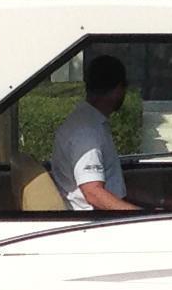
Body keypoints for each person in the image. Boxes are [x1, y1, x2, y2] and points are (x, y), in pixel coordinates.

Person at [49, 54, 141, 213]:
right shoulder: (87, 133)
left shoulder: (89, 122)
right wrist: (144, 218)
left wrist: (161, 202)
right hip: (96, 224)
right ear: (118, 90)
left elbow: (113, 187)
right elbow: (94, 194)